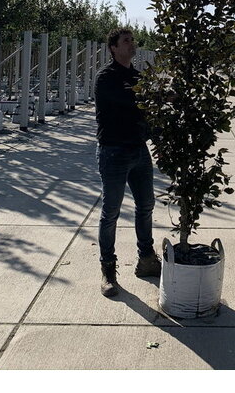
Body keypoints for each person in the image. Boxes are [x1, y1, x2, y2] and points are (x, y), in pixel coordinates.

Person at [94, 27, 161, 297]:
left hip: (138, 151)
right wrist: (156, 96)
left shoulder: (138, 76)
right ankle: (108, 269)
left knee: (146, 205)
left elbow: (147, 111)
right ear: (113, 48)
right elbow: (131, 101)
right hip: (113, 152)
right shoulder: (105, 78)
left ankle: (146, 259)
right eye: (126, 41)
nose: (132, 44)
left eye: (133, 40)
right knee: (111, 212)